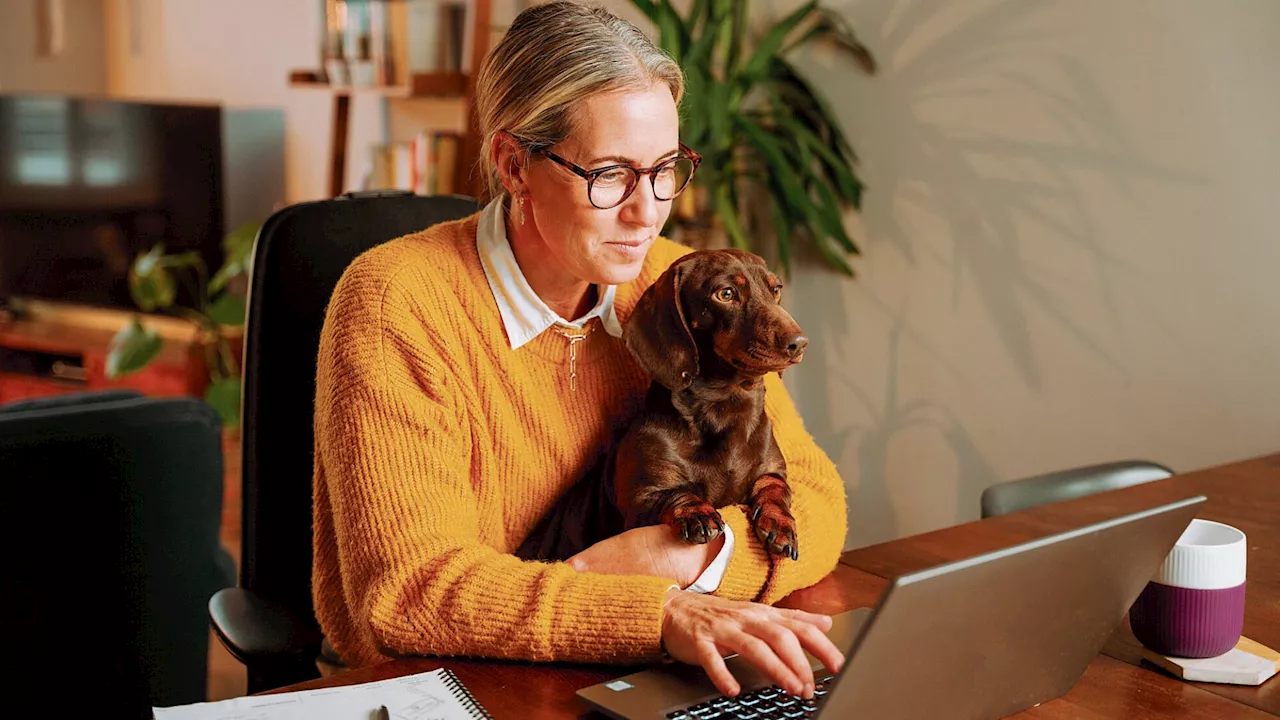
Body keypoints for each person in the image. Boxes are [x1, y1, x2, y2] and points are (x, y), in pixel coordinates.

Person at [311, 0, 848, 700]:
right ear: (514, 163)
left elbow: (816, 498)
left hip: (630, 674)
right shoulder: (396, 302)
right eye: (610, 174)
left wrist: (683, 560)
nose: (647, 210)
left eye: (663, 169)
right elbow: (411, 592)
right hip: (448, 687)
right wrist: (645, 605)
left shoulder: (676, 287)